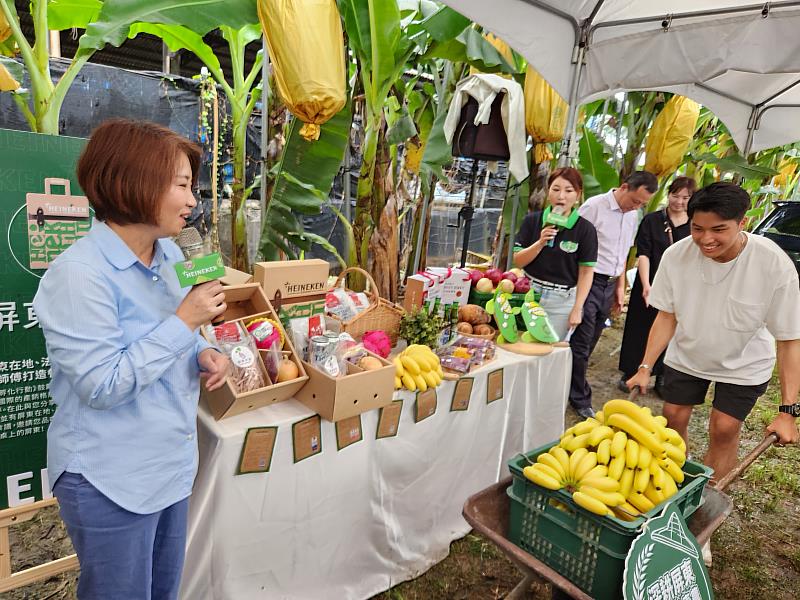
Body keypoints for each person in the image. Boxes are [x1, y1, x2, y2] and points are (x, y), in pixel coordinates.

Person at [33, 119, 231, 599]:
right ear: (135, 182)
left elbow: (181, 333)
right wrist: (185, 322)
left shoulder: (168, 256)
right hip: (109, 478)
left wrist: (206, 350)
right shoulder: (79, 276)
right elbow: (102, 385)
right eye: (182, 186)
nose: (192, 201)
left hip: (168, 466)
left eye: (192, 187)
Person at [627, 182, 800, 482]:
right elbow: (667, 316)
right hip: (689, 353)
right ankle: (675, 480)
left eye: (718, 230)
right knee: (673, 417)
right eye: (697, 229)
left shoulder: (773, 263)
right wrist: (645, 367)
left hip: (744, 363)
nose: (706, 239)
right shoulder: (676, 256)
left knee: (723, 428)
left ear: (742, 223)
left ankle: (710, 493)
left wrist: (788, 412)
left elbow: (788, 340)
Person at [569, 171, 658, 418]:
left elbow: (621, 253)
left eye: (642, 204)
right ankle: (579, 398)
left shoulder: (632, 215)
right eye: (635, 201)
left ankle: (569, 384)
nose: (636, 207)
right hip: (589, 280)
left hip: (609, 284)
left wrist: (620, 288)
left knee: (593, 339)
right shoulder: (594, 207)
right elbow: (574, 246)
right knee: (581, 341)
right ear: (624, 187)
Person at [618, 176, 695, 394]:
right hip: (650, 280)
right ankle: (631, 370)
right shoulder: (652, 220)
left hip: (680, 286)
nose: (679, 202)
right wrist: (646, 285)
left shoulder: (695, 224)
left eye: (685, 198)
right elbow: (644, 253)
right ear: (668, 194)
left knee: (672, 329)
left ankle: (662, 375)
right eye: (675, 196)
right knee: (639, 326)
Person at [513, 167, 598, 341]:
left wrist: (577, 308)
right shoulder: (532, 221)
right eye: (556, 189)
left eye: (569, 191)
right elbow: (518, 261)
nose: (561, 197)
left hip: (561, 301)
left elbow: (586, 271)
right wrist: (540, 242)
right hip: (528, 292)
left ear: (578, 194)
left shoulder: (585, 229)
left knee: (548, 351)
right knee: (520, 346)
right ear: (548, 191)